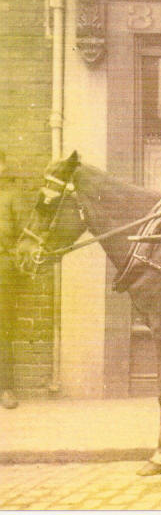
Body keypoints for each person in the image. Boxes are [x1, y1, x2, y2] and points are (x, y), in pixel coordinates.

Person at [0, 150, 22, 409]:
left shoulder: (12, 196)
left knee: (2, 329)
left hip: (2, 268)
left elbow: (23, 237)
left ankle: (6, 388)